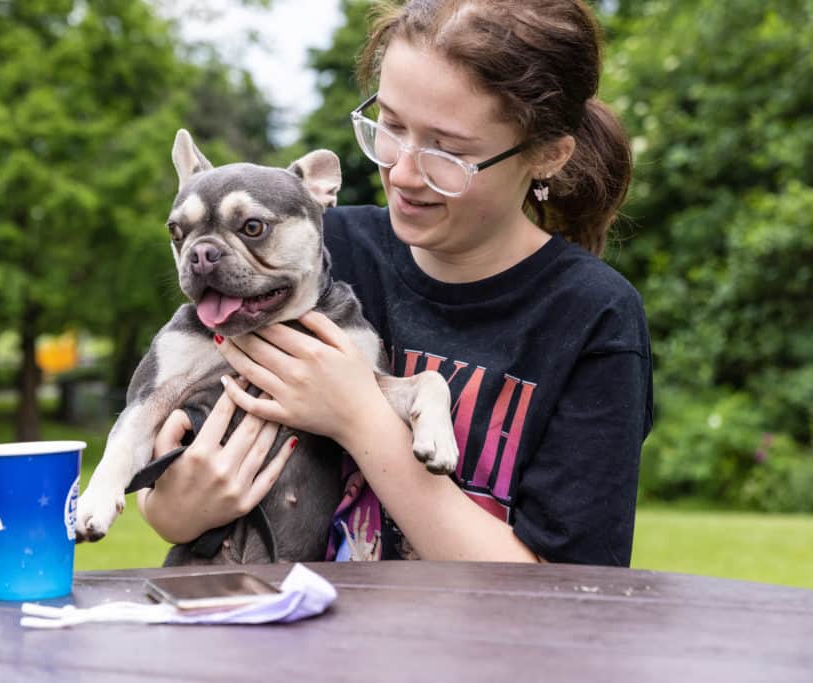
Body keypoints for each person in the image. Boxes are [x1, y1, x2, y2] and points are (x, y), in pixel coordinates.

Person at [137, 0, 653, 566]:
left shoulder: (592, 317)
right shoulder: (310, 259)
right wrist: (174, 508)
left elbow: (570, 592)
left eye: (448, 151)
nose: (403, 173)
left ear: (546, 156)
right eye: (390, 125)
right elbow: (179, 458)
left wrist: (360, 418)